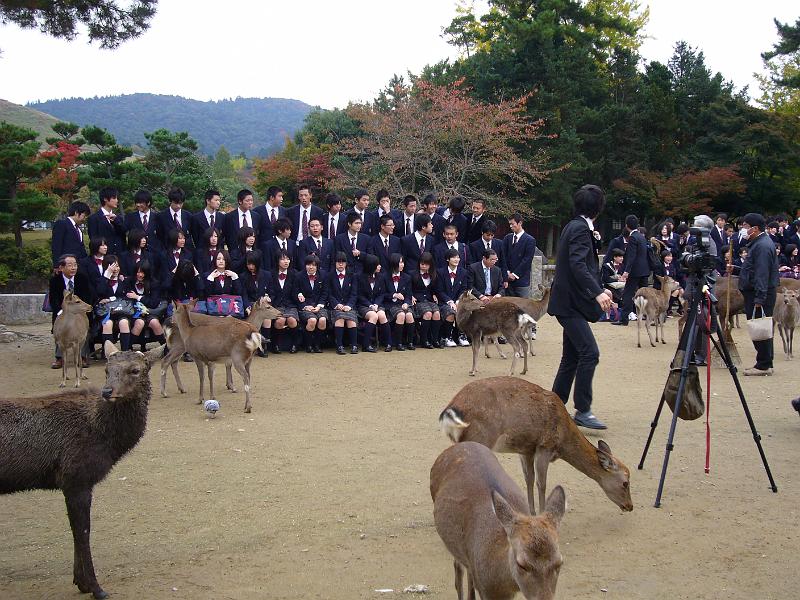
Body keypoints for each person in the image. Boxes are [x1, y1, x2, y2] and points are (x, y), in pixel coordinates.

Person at [547, 184, 612, 430]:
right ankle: (583, 409)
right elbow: (577, 265)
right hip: (570, 304)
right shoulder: (580, 229)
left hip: (568, 302)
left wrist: (600, 288)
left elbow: (580, 266)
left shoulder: (574, 226)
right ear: (598, 208)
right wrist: (596, 292)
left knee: (572, 356)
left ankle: (554, 406)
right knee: (589, 352)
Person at [736, 212, 780, 376]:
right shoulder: (760, 243)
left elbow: (762, 273)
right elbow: (755, 269)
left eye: (746, 226)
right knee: (761, 327)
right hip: (757, 290)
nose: (744, 229)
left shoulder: (762, 246)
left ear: (754, 228)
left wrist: (759, 298)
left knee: (760, 327)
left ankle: (764, 364)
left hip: (760, 293)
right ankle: (765, 360)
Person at [49, 254, 94, 369]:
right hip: (62, 311)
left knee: (82, 324)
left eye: (75, 265)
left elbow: (87, 296)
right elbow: (53, 300)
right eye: (70, 265)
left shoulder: (82, 278)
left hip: (80, 311)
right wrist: (61, 312)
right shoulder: (55, 280)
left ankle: (83, 356)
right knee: (61, 325)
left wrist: (79, 310)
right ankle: (60, 358)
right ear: (61, 267)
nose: (73, 268)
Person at [612, 214, 650, 326]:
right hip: (645, 270)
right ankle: (650, 317)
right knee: (646, 295)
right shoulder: (642, 236)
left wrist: (626, 272)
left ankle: (624, 318)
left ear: (627, 225)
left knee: (628, 294)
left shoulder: (633, 238)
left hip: (635, 271)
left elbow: (631, 257)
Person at [124, 260, 165, 349]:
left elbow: (154, 303)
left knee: (155, 323)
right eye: (138, 272)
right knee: (140, 323)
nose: (140, 275)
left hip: (150, 311)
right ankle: (127, 348)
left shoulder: (154, 283)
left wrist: (137, 297)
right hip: (133, 312)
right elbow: (127, 300)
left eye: (142, 272)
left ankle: (166, 348)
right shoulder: (129, 282)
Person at [95, 255, 132, 351]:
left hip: (121, 311)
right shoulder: (101, 280)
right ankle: (110, 353)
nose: (115, 269)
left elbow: (126, 296)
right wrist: (106, 276)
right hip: (107, 312)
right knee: (107, 324)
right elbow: (100, 292)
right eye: (112, 266)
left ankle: (125, 352)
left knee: (124, 323)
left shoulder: (124, 281)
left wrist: (111, 299)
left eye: (117, 266)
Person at [356, 253, 391, 352]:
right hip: (363, 305)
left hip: (377, 304)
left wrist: (376, 304)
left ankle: (388, 343)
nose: (380, 266)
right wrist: (370, 305)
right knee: (374, 316)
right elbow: (359, 295)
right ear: (371, 266)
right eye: (377, 264)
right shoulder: (359, 277)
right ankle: (366, 345)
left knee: (382, 315)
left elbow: (382, 293)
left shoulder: (381, 277)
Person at [241, 250, 274, 356]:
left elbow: (272, 292)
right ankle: (253, 345)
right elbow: (243, 294)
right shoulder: (243, 276)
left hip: (263, 304)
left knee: (267, 319)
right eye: (248, 264)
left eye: (253, 264)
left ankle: (264, 346)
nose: (250, 266)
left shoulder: (267, 275)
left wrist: (268, 297)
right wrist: (247, 306)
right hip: (250, 304)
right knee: (253, 318)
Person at [326, 251, 359, 355]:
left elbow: (354, 294)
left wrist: (349, 305)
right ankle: (339, 345)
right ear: (335, 263)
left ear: (346, 263)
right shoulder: (330, 275)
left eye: (343, 262)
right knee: (340, 318)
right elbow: (329, 294)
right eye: (338, 262)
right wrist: (337, 304)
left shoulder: (352, 275)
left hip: (349, 306)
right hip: (335, 306)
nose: (340, 264)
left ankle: (354, 345)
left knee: (351, 320)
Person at [295, 254, 328, 353]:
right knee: (312, 320)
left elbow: (325, 293)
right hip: (305, 306)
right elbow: (295, 293)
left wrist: (319, 306)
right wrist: (305, 306)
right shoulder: (299, 276)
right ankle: (308, 345)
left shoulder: (323, 275)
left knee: (322, 320)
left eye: (313, 265)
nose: (311, 267)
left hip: (319, 305)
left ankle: (317, 345)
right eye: (308, 264)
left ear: (317, 266)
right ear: (305, 265)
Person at [436, 247, 470, 347]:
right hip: (444, 302)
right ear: (447, 259)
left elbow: (464, 289)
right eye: (454, 257)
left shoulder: (463, 272)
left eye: (458, 257)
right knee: (450, 312)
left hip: (458, 301)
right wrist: (450, 301)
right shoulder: (440, 272)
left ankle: (462, 336)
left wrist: (459, 300)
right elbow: (439, 291)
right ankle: (448, 337)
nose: (456, 260)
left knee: (464, 310)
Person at [268, 251, 300, 353]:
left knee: (292, 320)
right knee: (280, 321)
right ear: (277, 261)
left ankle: (295, 344)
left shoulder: (294, 273)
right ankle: (275, 345)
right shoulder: (271, 274)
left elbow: (296, 290)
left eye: (288, 259)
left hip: (290, 304)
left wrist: (299, 295)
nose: (286, 262)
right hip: (276, 304)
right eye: (282, 259)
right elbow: (270, 290)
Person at [410, 252, 442, 348]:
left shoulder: (434, 274)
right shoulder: (412, 274)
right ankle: (424, 340)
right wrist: (410, 296)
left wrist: (434, 295)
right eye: (422, 264)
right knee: (428, 313)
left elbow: (435, 289)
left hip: (429, 299)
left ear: (431, 265)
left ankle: (435, 340)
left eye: (427, 264)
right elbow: (407, 288)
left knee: (436, 313)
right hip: (418, 301)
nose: (424, 266)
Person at [383, 252, 415, 351]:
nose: (402, 265)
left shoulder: (407, 277)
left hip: (403, 304)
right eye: (400, 262)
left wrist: (406, 302)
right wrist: (394, 295)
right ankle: (398, 343)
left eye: (403, 262)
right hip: (390, 305)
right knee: (401, 315)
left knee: (409, 315)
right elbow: (382, 294)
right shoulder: (385, 276)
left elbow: (409, 294)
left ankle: (410, 342)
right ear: (394, 263)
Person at [503, 213, 536, 298]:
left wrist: (514, 274)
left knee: (523, 308)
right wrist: (507, 272)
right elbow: (503, 256)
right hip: (507, 281)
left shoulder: (530, 240)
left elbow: (527, 260)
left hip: (522, 281)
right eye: (509, 224)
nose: (510, 226)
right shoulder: (507, 238)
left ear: (520, 223)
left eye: (512, 224)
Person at [87, 187, 127, 256]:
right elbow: (94, 240)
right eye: (114, 198)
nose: (117, 201)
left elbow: (124, 233)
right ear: (105, 199)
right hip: (104, 257)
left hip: (120, 256)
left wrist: (116, 221)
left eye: (117, 198)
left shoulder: (118, 218)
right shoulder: (94, 218)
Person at [51, 200, 90, 266]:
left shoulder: (78, 229)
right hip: (66, 265)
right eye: (84, 215)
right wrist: (57, 265)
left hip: (79, 265)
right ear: (76, 213)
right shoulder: (62, 224)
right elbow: (56, 246)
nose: (85, 218)